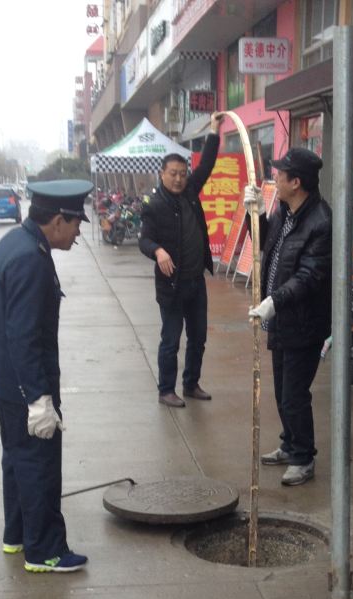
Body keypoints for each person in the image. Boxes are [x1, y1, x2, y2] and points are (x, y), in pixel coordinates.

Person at [0, 179, 93, 573]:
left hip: (3, 376)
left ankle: (18, 535)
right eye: (77, 224)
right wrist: (38, 399)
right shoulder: (30, 259)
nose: (78, 232)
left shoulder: (20, 243)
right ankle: (45, 551)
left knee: (18, 457)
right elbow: (24, 336)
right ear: (58, 221)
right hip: (19, 380)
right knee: (39, 462)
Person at [245, 148, 332, 486]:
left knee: (294, 394)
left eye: (280, 175)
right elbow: (265, 244)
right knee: (283, 392)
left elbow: (309, 277)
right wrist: (255, 213)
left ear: (296, 182)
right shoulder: (285, 211)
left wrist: (275, 300)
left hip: (303, 323)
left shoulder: (321, 222)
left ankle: (303, 457)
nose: (275, 179)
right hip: (281, 319)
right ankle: (289, 443)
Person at [138, 112, 224, 407]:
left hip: (195, 282)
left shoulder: (190, 192)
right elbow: (144, 240)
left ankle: (191, 384)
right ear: (162, 173)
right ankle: (166, 390)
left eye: (182, 173)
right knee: (171, 341)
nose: (178, 178)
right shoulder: (154, 205)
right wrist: (158, 250)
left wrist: (214, 130)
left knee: (198, 338)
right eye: (173, 173)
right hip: (171, 286)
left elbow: (207, 164)